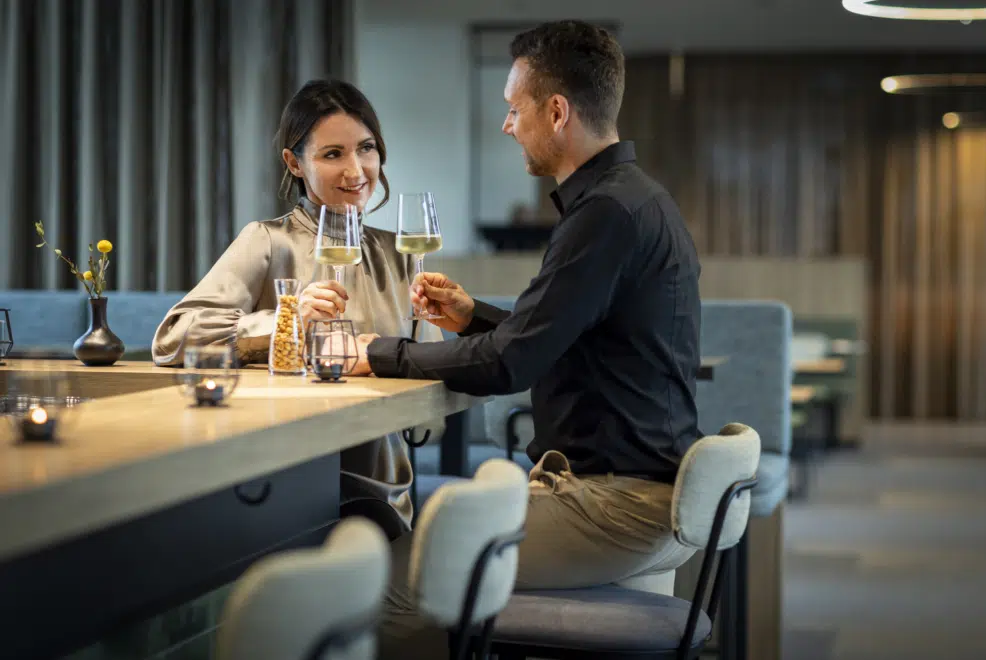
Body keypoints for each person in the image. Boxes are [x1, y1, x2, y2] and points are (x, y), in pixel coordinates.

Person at [354, 21, 704, 658]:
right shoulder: (637, 200)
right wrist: (475, 318)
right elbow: (560, 338)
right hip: (648, 492)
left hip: (612, 502)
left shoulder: (604, 215)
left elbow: (512, 365)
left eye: (515, 110)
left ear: (558, 111)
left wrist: (373, 353)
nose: (507, 126)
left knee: (382, 584)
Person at [151, 79, 443, 530]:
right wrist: (286, 320)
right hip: (284, 494)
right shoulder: (267, 241)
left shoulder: (400, 254)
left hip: (379, 499)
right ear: (295, 162)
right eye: (332, 154)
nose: (356, 170)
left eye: (366, 148)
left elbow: (430, 407)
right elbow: (173, 338)